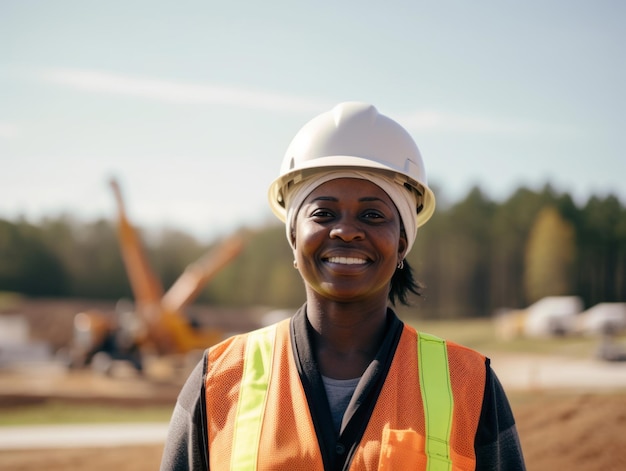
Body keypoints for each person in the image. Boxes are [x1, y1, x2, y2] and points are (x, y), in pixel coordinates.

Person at [160, 102, 526, 470]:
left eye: (372, 214)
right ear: (293, 235)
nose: (346, 230)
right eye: (323, 213)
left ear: (401, 242)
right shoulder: (219, 380)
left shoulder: (469, 385)